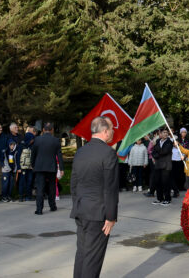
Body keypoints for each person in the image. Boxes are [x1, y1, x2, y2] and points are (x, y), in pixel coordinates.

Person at [70, 116, 119, 278]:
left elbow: (74, 184)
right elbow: (110, 188)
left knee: (82, 254)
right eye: (111, 129)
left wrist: (78, 205)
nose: (113, 132)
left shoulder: (80, 152)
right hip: (98, 214)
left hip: (82, 210)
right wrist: (111, 216)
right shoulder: (108, 153)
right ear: (105, 131)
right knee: (93, 258)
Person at [32, 123, 64, 215]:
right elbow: (59, 155)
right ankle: (52, 206)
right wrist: (61, 168)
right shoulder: (56, 140)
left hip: (39, 167)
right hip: (51, 167)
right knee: (52, 187)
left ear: (43, 130)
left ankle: (39, 209)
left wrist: (33, 164)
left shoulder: (37, 140)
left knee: (40, 188)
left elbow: (33, 153)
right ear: (52, 130)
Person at [150, 129, 173, 206]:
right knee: (157, 182)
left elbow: (164, 151)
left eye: (167, 132)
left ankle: (167, 199)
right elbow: (153, 152)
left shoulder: (169, 142)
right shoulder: (158, 141)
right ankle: (160, 198)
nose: (166, 134)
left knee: (165, 183)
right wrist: (156, 154)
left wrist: (157, 150)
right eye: (164, 132)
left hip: (166, 165)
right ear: (160, 133)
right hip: (158, 165)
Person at [18, 131, 35, 202]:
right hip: (23, 167)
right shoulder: (21, 146)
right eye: (31, 139)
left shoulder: (33, 146)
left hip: (30, 167)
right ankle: (21, 196)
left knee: (29, 181)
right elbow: (18, 156)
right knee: (22, 182)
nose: (32, 140)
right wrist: (18, 167)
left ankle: (29, 196)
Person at [145, 130, 160, 197]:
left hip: (157, 159)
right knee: (154, 175)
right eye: (159, 133)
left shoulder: (158, 141)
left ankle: (153, 191)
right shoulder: (153, 141)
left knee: (155, 175)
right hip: (153, 159)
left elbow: (149, 150)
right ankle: (152, 191)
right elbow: (149, 150)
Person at [170, 129, 185, 196]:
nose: (175, 144)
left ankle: (180, 187)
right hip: (173, 162)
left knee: (180, 175)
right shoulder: (172, 149)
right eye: (174, 143)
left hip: (179, 162)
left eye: (177, 143)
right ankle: (175, 187)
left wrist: (183, 157)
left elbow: (184, 154)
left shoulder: (180, 148)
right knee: (174, 175)